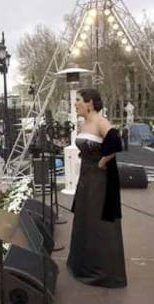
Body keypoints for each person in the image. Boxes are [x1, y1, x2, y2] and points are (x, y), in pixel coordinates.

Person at [67, 88, 127, 288]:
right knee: (85, 220)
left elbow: (115, 143)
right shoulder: (84, 123)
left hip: (99, 181)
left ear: (90, 103)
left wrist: (102, 162)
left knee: (99, 223)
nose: (75, 104)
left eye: (78, 100)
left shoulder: (101, 122)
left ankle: (103, 272)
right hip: (86, 178)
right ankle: (83, 265)